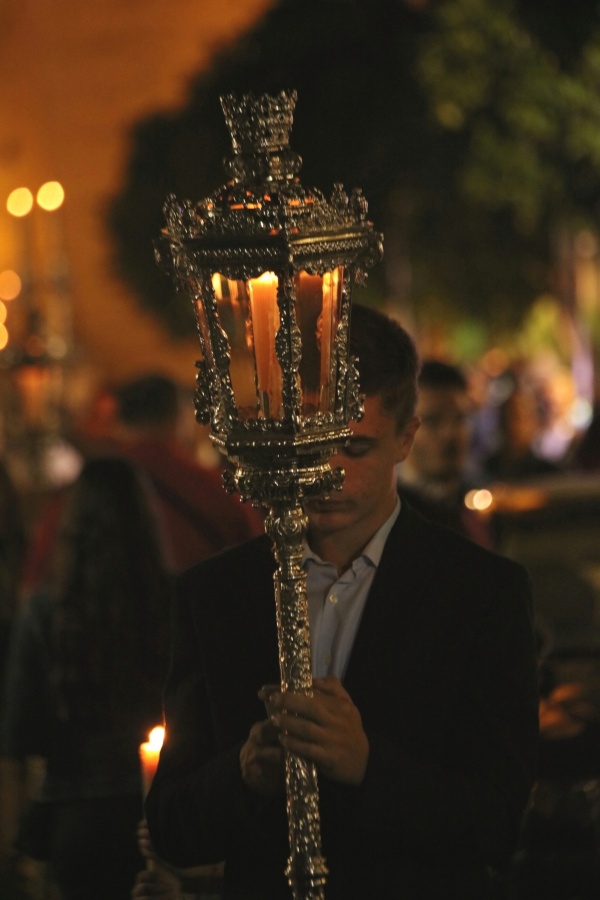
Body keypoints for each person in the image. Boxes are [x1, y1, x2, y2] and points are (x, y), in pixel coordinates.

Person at [144, 305, 539, 899]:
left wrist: (367, 766)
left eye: (354, 449)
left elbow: (497, 823)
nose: (325, 473)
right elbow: (172, 825)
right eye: (309, 444)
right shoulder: (216, 594)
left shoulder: (479, 593)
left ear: (406, 439)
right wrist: (244, 775)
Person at [0, 457, 172, 900]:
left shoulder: (46, 613)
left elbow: (17, 739)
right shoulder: (169, 606)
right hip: (155, 816)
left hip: (73, 816)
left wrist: (12, 850)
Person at [397, 359, 492, 547]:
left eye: (460, 418)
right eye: (433, 421)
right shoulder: (391, 517)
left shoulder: (481, 502)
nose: (450, 433)